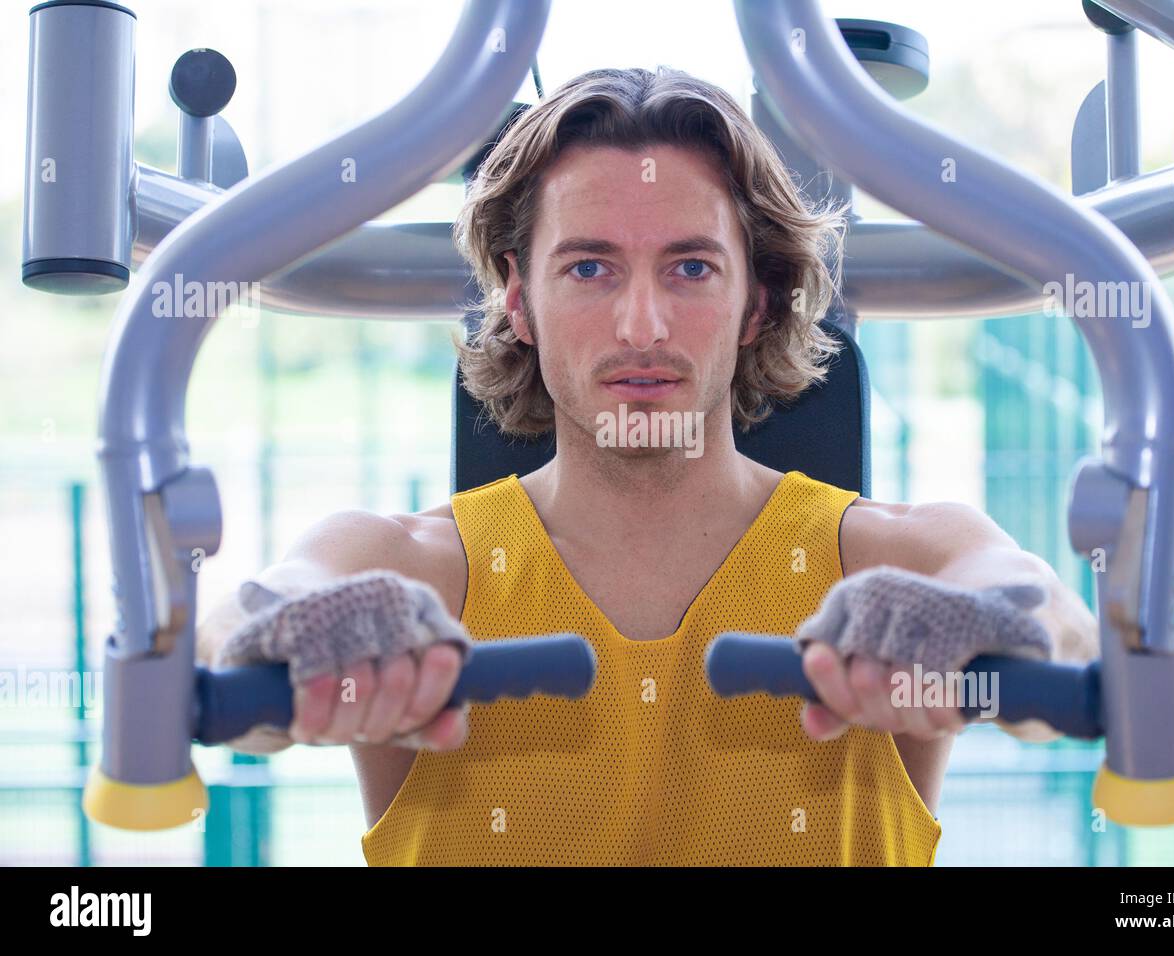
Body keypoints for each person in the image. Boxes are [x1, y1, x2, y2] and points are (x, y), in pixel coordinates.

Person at [197, 66, 1098, 866]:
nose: (642, 327)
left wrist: (968, 623)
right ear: (518, 298)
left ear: (759, 300)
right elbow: (232, 629)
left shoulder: (891, 561)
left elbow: (1048, 619)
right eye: (590, 268)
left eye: (691, 269)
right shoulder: (409, 570)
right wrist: (309, 642)